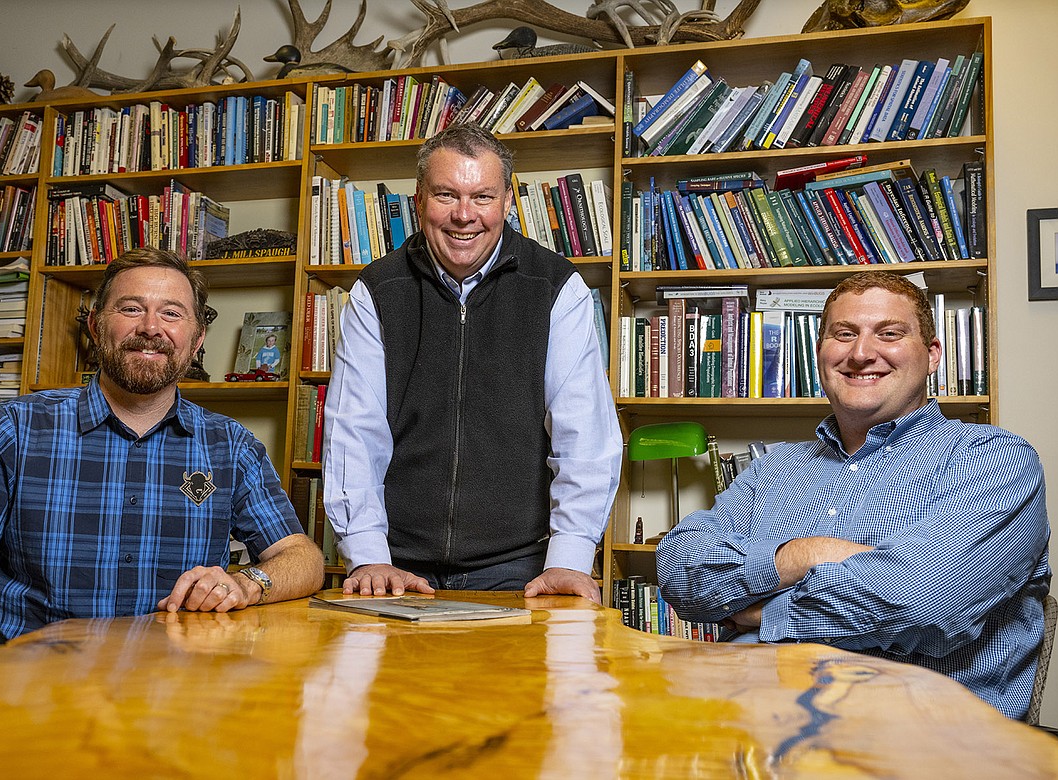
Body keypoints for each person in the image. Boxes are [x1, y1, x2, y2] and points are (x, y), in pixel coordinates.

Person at [656, 270, 1051, 720]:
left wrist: (758, 613)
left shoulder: (994, 459)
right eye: (843, 334)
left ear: (932, 354)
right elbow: (681, 568)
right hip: (752, 725)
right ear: (821, 351)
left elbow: (927, 604)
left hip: (921, 742)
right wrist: (807, 554)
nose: (862, 354)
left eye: (889, 333)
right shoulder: (775, 466)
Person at [0, 247, 324, 663]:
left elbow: (304, 560)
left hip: (176, 697)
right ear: (96, 325)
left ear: (196, 341)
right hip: (35, 699)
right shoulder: (15, 428)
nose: (150, 327)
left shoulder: (231, 446)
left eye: (172, 313)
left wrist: (248, 583)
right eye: (130, 308)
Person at [323, 123, 622, 602]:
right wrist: (366, 553)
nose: (465, 216)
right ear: (419, 200)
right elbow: (353, 433)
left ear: (507, 201)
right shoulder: (375, 291)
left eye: (482, 197)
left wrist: (570, 557)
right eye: (446, 195)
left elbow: (584, 435)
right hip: (397, 569)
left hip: (521, 571)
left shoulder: (557, 288)